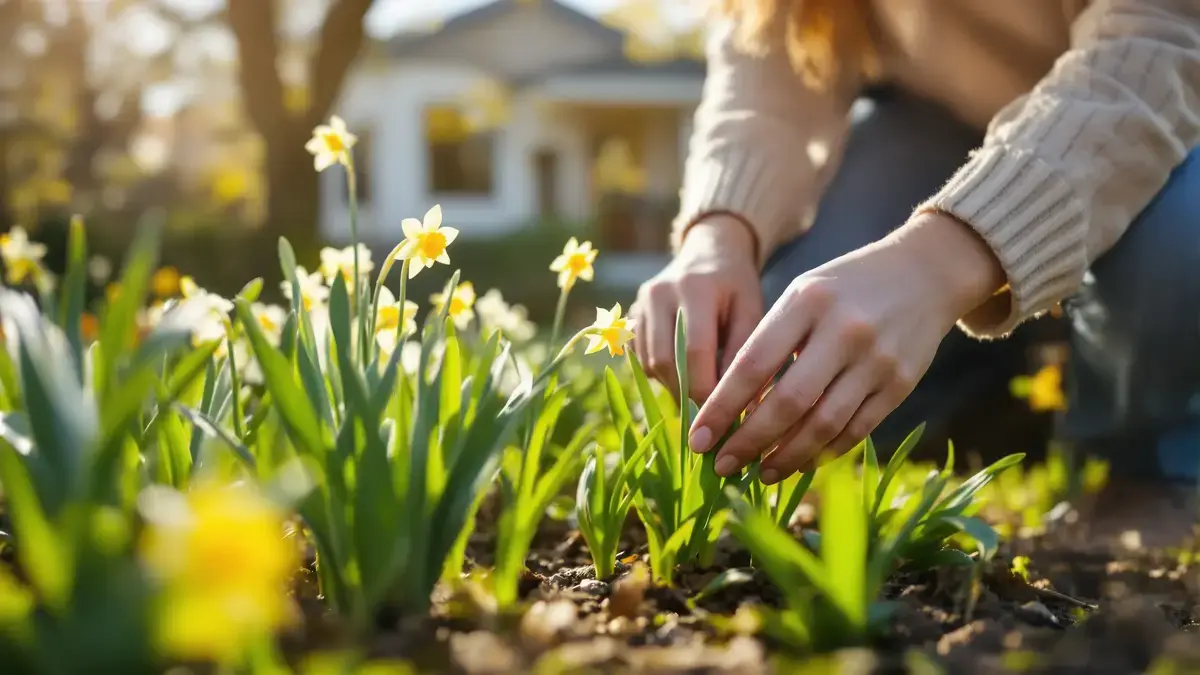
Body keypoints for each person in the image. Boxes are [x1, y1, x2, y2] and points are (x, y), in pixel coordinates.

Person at [631, 0, 1200, 542]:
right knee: (799, 359)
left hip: (1162, 114)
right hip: (940, 121)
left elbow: (1156, 49)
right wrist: (722, 232)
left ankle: (1151, 461)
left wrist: (940, 260)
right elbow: (775, 45)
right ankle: (1006, 393)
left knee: (1175, 239)